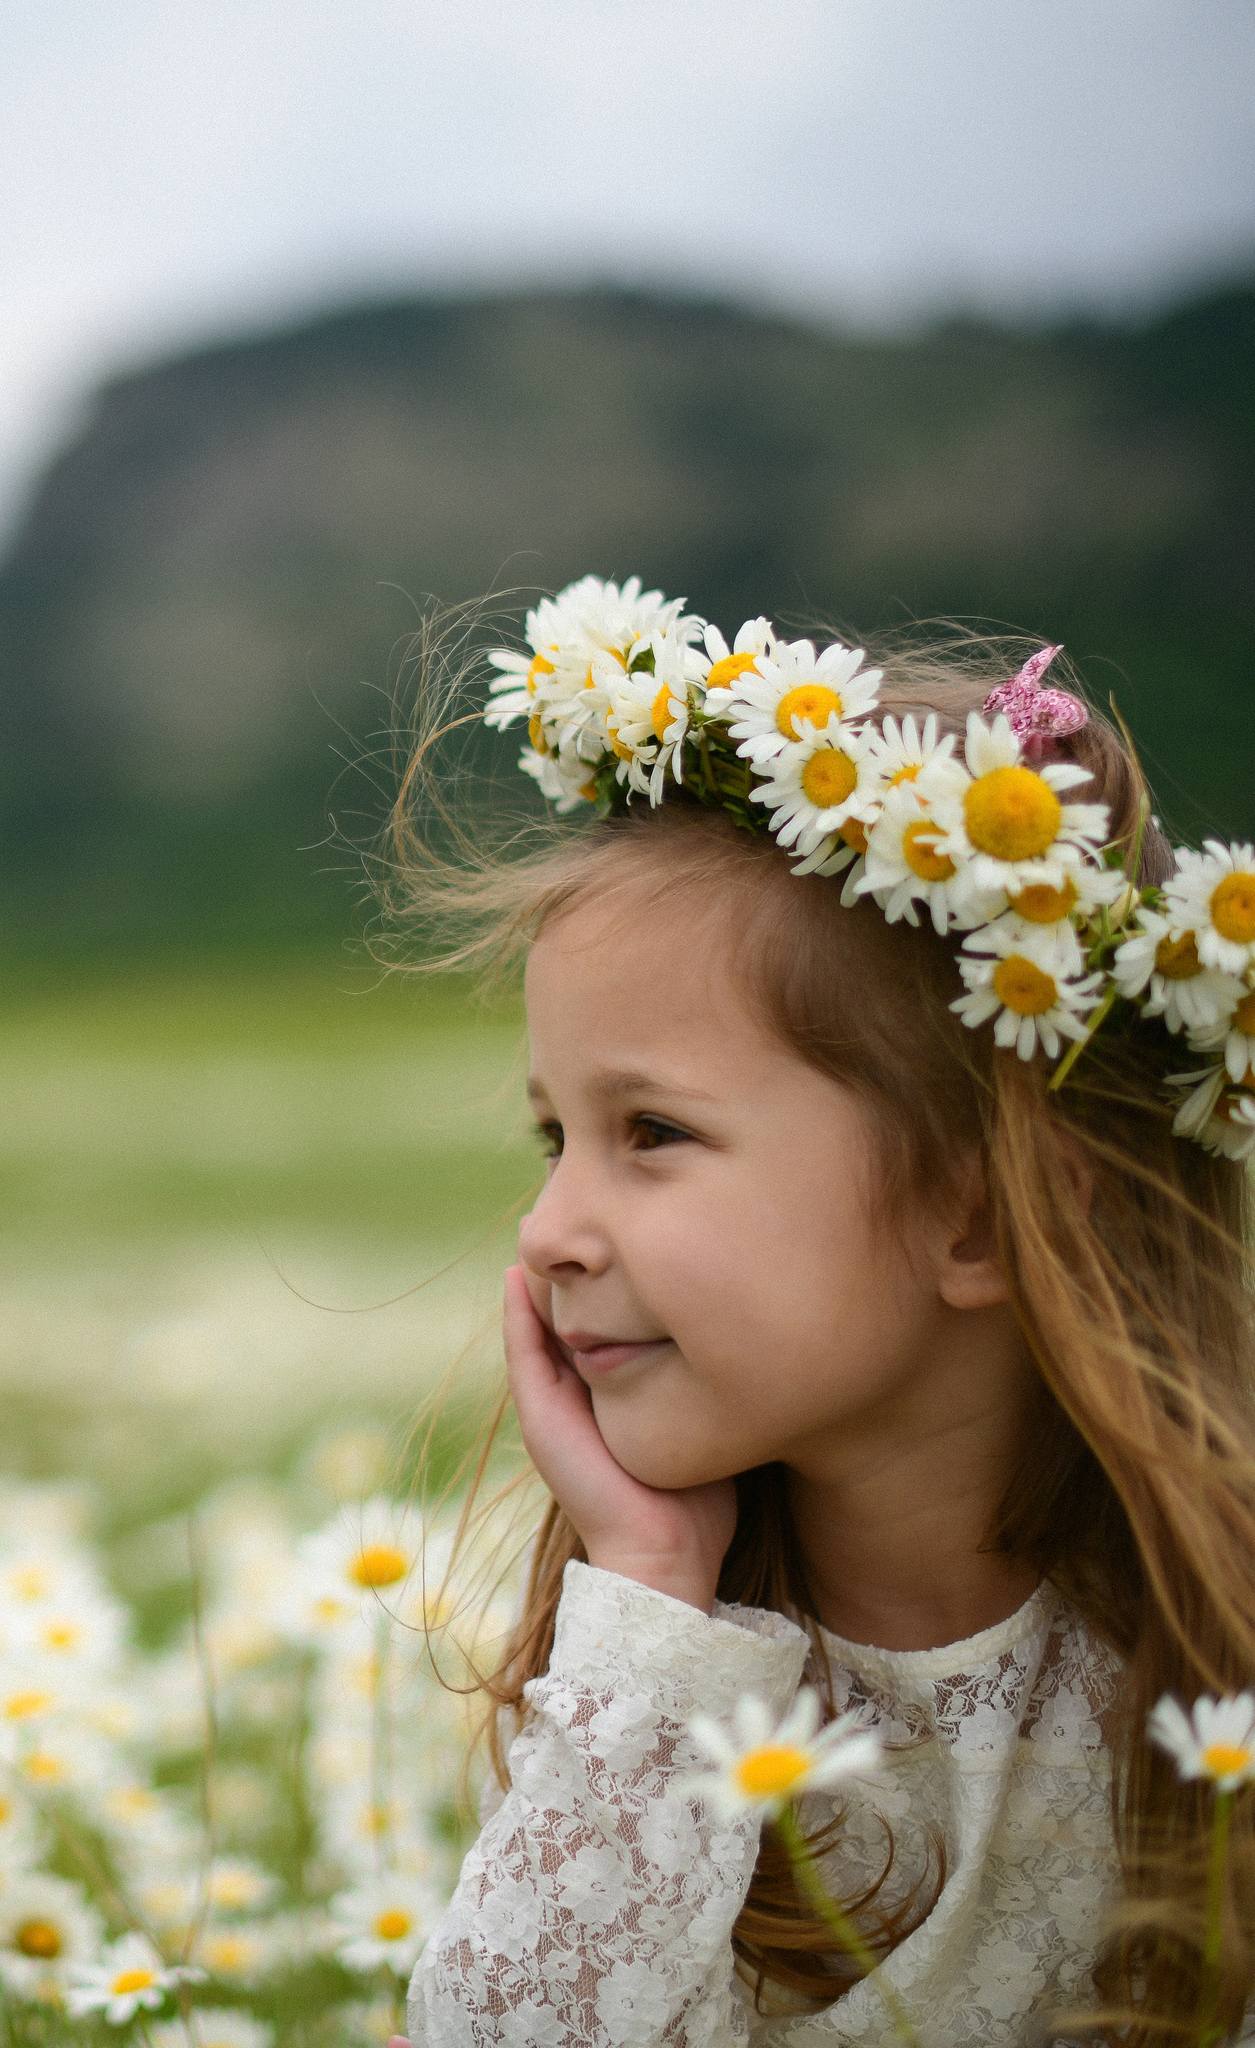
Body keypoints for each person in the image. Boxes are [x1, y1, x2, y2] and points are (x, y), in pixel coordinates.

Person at [382, 579, 1255, 2045]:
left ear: (983, 1216)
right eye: (553, 1138)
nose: (546, 1232)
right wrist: (651, 1581)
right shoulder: (649, 1659)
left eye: (652, 1131)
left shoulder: (1208, 1656)